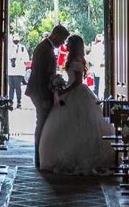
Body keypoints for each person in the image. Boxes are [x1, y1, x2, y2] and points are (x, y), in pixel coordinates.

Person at [37, 35, 115, 175]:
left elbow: (78, 81)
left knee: (79, 125)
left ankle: (80, 157)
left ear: (74, 45)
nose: (66, 44)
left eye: (68, 43)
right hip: (70, 90)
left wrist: (65, 90)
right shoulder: (72, 58)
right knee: (68, 126)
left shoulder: (77, 60)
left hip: (77, 93)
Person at [25, 21, 69, 161]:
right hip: (40, 92)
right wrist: (44, 97)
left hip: (39, 91)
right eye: (61, 39)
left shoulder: (45, 47)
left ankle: (41, 154)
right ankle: (39, 156)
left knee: (43, 122)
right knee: (42, 123)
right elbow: (40, 75)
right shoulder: (45, 49)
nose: (61, 43)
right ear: (56, 35)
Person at [7, 30, 27, 110]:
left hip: (18, 70)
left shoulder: (22, 48)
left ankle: (19, 102)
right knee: (11, 87)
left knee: (17, 87)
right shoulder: (9, 47)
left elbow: (26, 58)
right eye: (14, 39)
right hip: (10, 71)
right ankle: (10, 101)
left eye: (17, 39)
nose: (16, 41)